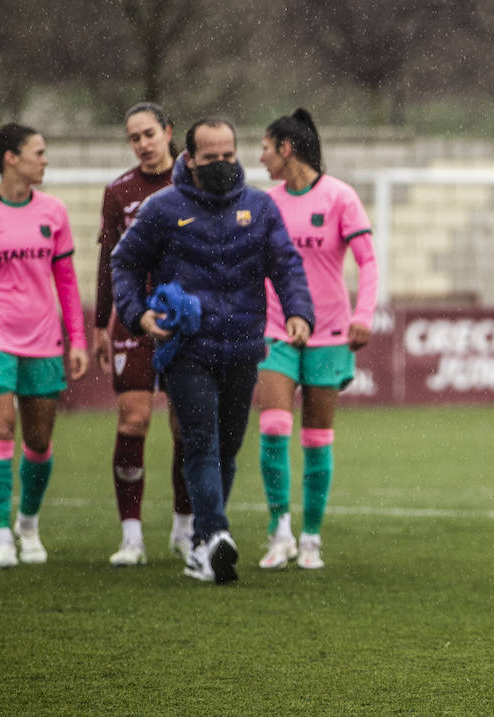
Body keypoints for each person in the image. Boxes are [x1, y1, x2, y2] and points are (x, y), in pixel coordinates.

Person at [112, 117, 314, 584]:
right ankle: (215, 534)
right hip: (187, 348)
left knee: (228, 448)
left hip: (244, 346)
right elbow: (124, 262)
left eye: (228, 155)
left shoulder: (260, 208)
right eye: (211, 158)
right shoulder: (163, 208)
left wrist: (299, 311)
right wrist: (138, 314)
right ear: (190, 159)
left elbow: (286, 265)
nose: (222, 164)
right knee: (200, 441)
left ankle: (204, 547)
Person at [255, 108, 377, 570]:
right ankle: (280, 531)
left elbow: (368, 261)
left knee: (316, 437)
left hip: (329, 333)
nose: (261, 157)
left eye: (266, 148)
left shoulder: (340, 197)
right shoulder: (266, 203)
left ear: (287, 149)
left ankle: (310, 538)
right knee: (272, 426)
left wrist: (363, 315)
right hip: (275, 329)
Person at [0, 123, 89, 568]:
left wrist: (77, 339)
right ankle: (0, 534)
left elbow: (67, 281)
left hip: (42, 338)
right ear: (12, 158)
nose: (46, 159)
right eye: (39, 152)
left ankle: (28, 524)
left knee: (38, 440)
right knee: (0, 430)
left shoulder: (53, 212)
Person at [94, 102, 193, 566]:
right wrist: (100, 323)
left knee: (186, 428)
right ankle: (131, 537)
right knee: (133, 420)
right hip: (135, 317)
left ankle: (184, 528)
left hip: (183, 320)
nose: (143, 144)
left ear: (168, 132)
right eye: (134, 137)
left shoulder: (193, 181)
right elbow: (107, 261)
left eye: (149, 133)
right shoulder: (119, 191)